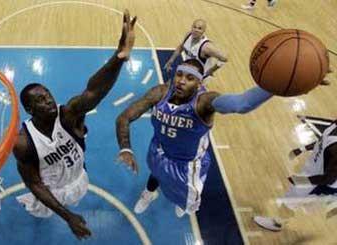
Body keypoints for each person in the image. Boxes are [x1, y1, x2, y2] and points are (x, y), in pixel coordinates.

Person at [12, 10, 136, 240]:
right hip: (51, 192)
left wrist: (118, 58)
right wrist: (68, 217)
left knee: (76, 194)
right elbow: (35, 185)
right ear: (30, 110)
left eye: (47, 94)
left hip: (78, 178)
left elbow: (94, 90)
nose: (48, 99)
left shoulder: (69, 115)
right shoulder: (24, 144)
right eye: (39, 100)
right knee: (44, 214)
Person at [116, 58, 275, 217]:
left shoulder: (204, 102)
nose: (181, 81)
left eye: (189, 78)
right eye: (179, 75)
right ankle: (148, 193)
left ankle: (182, 202)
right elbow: (124, 118)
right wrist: (126, 149)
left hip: (187, 165)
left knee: (186, 202)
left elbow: (242, 104)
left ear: (199, 83)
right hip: (159, 150)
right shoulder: (159, 93)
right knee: (155, 173)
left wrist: (274, 86)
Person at [254, 119, 337, 231]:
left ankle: (276, 224)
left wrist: (301, 181)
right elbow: (323, 140)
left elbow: (328, 179)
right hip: (314, 171)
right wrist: (302, 149)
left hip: (321, 183)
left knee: (291, 201)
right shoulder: (335, 125)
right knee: (295, 200)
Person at [163, 19, 227, 81]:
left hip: (200, 75)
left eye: (199, 28)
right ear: (191, 27)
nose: (196, 30)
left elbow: (224, 59)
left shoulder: (207, 47)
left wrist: (212, 70)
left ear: (204, 31)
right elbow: (181, 47)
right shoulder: (188, 35)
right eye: (194, 27)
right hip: (189, 69)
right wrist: (171, 60)